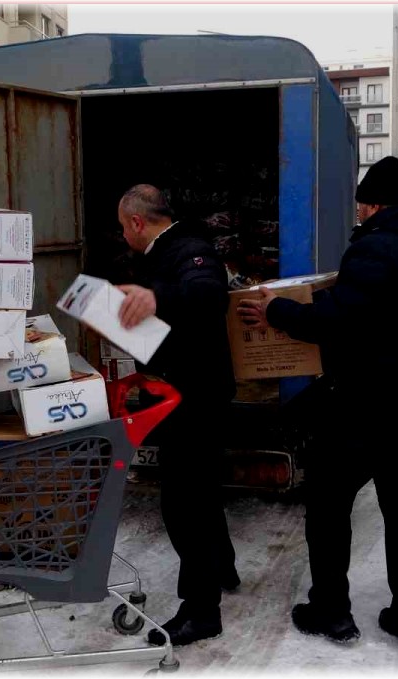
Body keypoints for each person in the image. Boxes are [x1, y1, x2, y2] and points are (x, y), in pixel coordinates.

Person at [237, 157, 398, 653]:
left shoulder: (377, 249)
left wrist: (276, 310)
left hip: (365, 406)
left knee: (328, 505)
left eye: (362, 204)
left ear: (377, 204)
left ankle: (331, 611)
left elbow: (339, 320)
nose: (358, 213)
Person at [115, 184, 239, 647]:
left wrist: (156, 297)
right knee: (203, 493)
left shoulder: (190, 250)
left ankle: (201, 610)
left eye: (121, 225)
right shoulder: (165, 251)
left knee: (186, 503)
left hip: (195, 397)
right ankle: (222, 568)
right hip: (181, 390)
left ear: (136, 222)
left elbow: (207, 296)